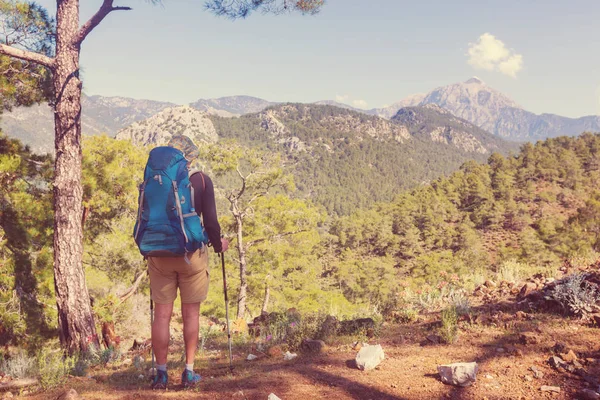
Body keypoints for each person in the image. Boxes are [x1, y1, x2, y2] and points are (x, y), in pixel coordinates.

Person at [148, 135, 229, 389]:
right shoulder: (201, 180)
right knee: (190, 313)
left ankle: (161, 373)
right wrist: (219, 244)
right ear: (191, 156)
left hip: (159, 253)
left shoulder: (156, 177)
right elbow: (212, 224)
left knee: (162, 315)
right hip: (191, 255)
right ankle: (188, 371)